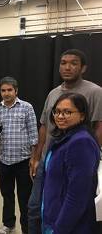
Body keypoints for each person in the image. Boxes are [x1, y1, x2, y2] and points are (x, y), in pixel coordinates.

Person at [28, 49, 102, 234]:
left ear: (83, 67)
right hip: (49, 158)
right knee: (37, 208)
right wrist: (36, 157)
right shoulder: (53, 93)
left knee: (69, 205)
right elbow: (44, 126)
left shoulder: (94, 92)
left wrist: (91, 157)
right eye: (63, 62)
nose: (67, 67)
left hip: (74, 158)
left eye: (73, 63)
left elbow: (99, 126)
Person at [41, 93, 100, 234]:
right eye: (57, 111)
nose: (60, 116)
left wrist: (60, 229)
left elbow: (77, 196)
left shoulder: (81, 142)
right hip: (53, 217)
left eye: (67, 112)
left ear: (82, 115)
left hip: (68, 226)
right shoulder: (63, 137)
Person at [0, 76, 38, 234]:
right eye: (3, 90)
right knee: (7, 195)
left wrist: (33, 158)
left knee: (25, 198)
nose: (6, 93)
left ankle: (27, 228)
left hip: (23, 161)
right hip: (5, 160)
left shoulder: (26, 107)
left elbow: (33, 135)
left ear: (16, 90)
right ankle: (9, 224)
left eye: (9, 90)